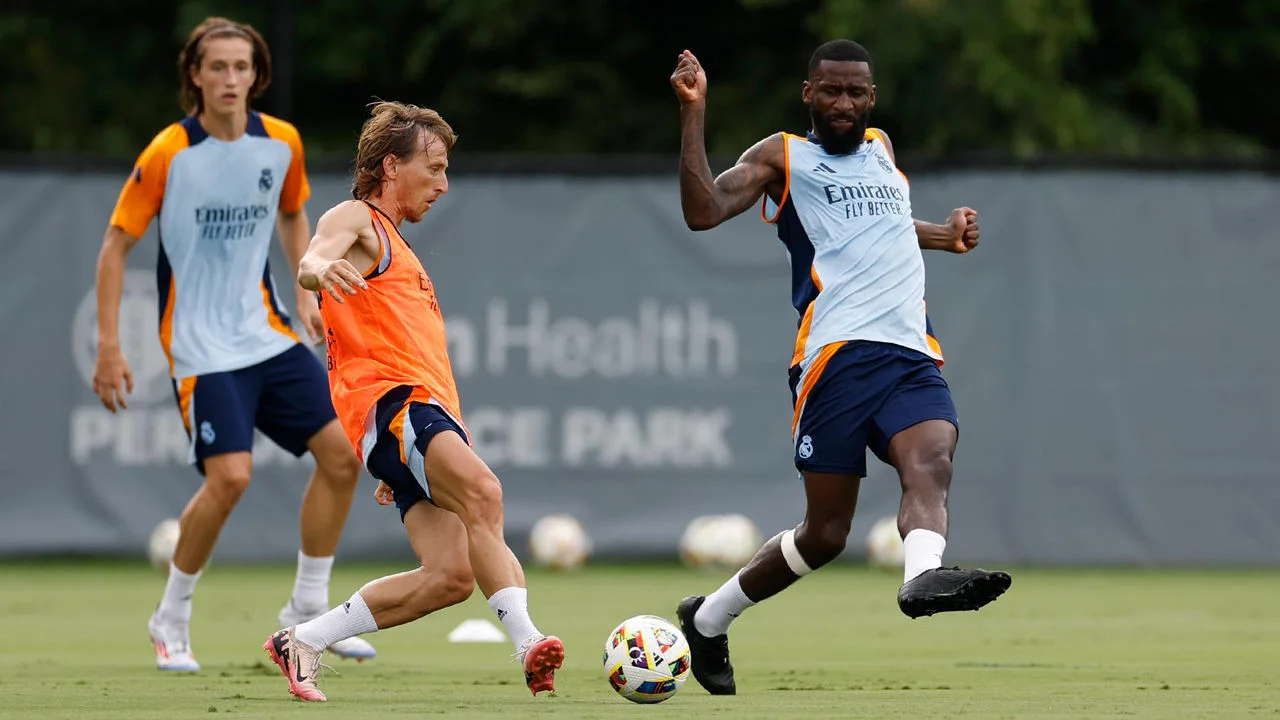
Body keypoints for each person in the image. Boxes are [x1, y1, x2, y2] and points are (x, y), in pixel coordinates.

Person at [668, 40, 1012, 695]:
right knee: (825, 534)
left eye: (856, 92)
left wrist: (943, 232)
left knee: (932, 460)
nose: (844, 103)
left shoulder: (881, 151)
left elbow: (880, 224)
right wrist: (693, 112)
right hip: (836, 356)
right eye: (831, 91)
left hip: (912, 349)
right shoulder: (782, 156)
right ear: (808, 95)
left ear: (872, 99)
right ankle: (708, 619)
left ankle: (920, 580)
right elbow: (702, 211)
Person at [93, 16, 375, 672]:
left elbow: (294, 210)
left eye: (242, 67)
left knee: (342, 456)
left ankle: (308, 613)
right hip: (198, 347)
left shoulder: (281, 143)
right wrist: (110, 344)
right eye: (216, 67)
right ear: (194, 75)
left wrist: (305, 292)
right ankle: (171, 616)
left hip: (266, 335)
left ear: (258, 75)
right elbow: (115, 245)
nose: (230, 79)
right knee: (231, 478)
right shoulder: (169, 152)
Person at [262, 101, 564, 703]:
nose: (443, 184)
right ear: (390, 166)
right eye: (435, 167)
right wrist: (319, 271)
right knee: (486, 494)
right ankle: (529, 642)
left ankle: (302, 640)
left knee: (450, 577)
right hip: (396, 406)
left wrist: (396, 459)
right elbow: (314, 255)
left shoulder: (398, 244)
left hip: (410, 422)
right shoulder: (358, 217)